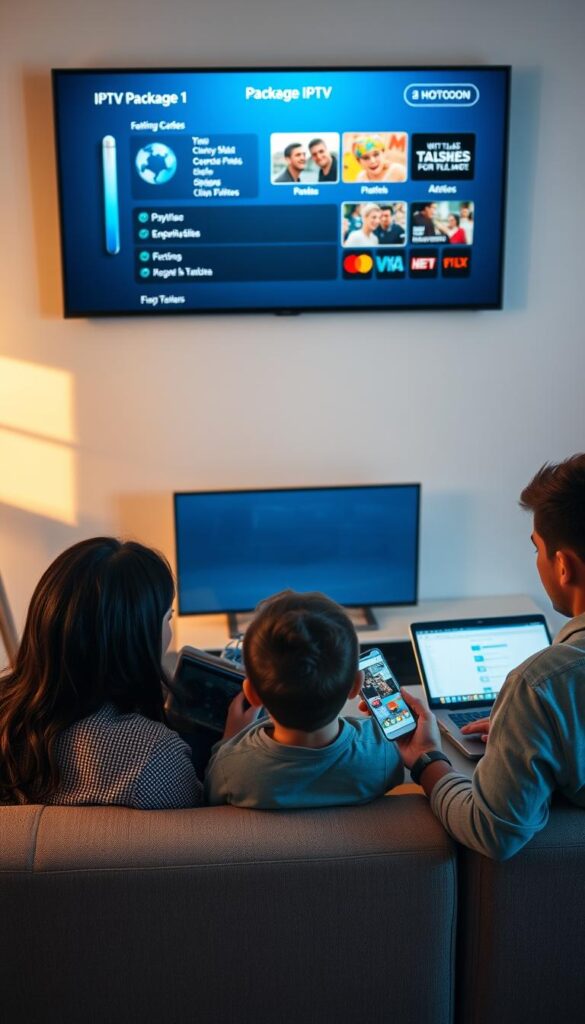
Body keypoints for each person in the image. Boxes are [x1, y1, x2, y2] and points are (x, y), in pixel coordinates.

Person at [392, 454, 585, 860]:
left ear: (564, 565)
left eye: (537, 549)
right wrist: (528, 732)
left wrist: (427, 760)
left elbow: (494, 832)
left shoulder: (542, 683)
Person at [0, 538, 202, 808]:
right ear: (136, 637)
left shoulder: (9, 725)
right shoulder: (154, 756)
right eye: (168, 617)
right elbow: (203, 829)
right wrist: (228, 750)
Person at [204, 591, 403, 808]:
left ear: (252, 694)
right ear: (356, 685)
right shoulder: (383, 750)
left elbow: (211, 796)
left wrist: (230, 738)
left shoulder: (231, 767)